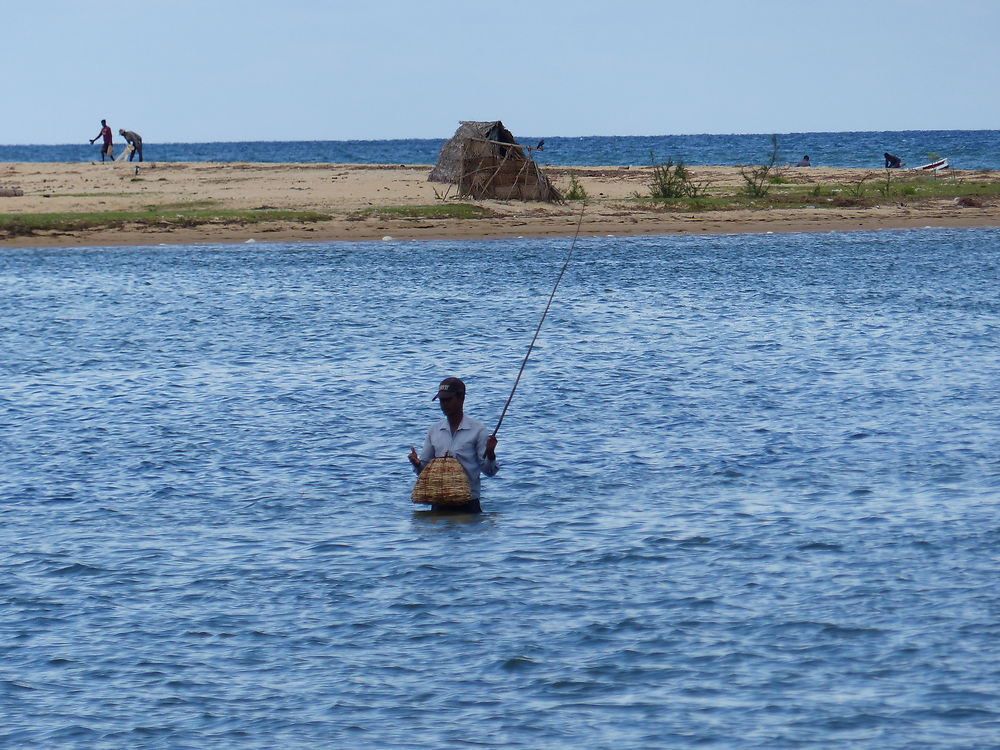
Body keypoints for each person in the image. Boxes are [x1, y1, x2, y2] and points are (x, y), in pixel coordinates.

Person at [408, 377, 499, 513]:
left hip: (468, 504)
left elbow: (489, 471)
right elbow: (424, 470)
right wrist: (416, 463)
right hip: (439, 502)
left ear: (461, 398)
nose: (444, 405)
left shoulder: (478, 430)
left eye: (448, 400)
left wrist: (491, 454)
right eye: (441, 401)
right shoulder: (434, 430)